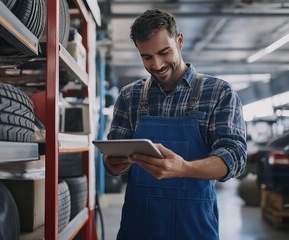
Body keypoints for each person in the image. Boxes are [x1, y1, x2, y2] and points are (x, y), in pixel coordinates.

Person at [104, 8, 247, 240]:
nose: (157, 64)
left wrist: (184, 168)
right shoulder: (129, 96)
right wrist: (114, 164)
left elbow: (235, 158)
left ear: (179, 40)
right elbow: (112, 159)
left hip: (194, 225)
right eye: (147, 57)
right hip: (140, 225)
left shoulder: (219, 92)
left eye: (164, 52)